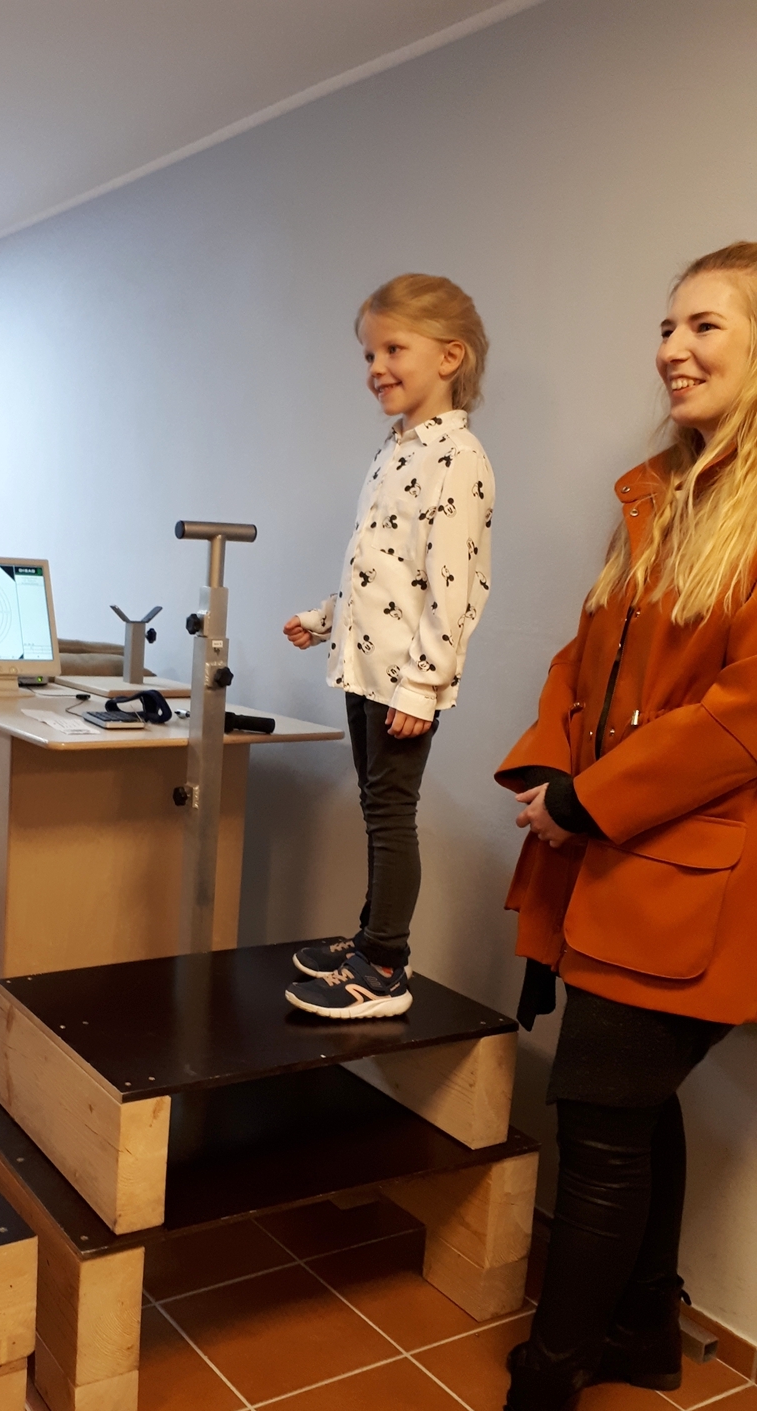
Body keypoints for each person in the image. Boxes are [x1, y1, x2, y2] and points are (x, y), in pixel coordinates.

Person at [448, 241, 757, 1411]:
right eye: (668, 324)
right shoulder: (665, 493)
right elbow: (587, 656)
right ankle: (643, 1322)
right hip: (621, 850)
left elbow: (742, 714)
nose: (672, 348)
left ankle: (541, 1403)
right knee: (630, 1102)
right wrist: (549, 768)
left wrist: (591, 801)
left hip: (697, 874)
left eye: (706, 325)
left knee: (601, 1120)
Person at [283, 273, 494, 1018]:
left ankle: (384, 966)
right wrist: (326, 618)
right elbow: (386, 568)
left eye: (393, 349)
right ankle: (372, 935)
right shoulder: (396, 449)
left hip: (404, 679)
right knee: (378, 807)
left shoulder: (457, 458)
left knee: (390, 814)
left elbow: (454, 587)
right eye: (369, 354)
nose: (376, 367)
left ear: (449, 356)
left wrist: (423, 686)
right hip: (364, 662)